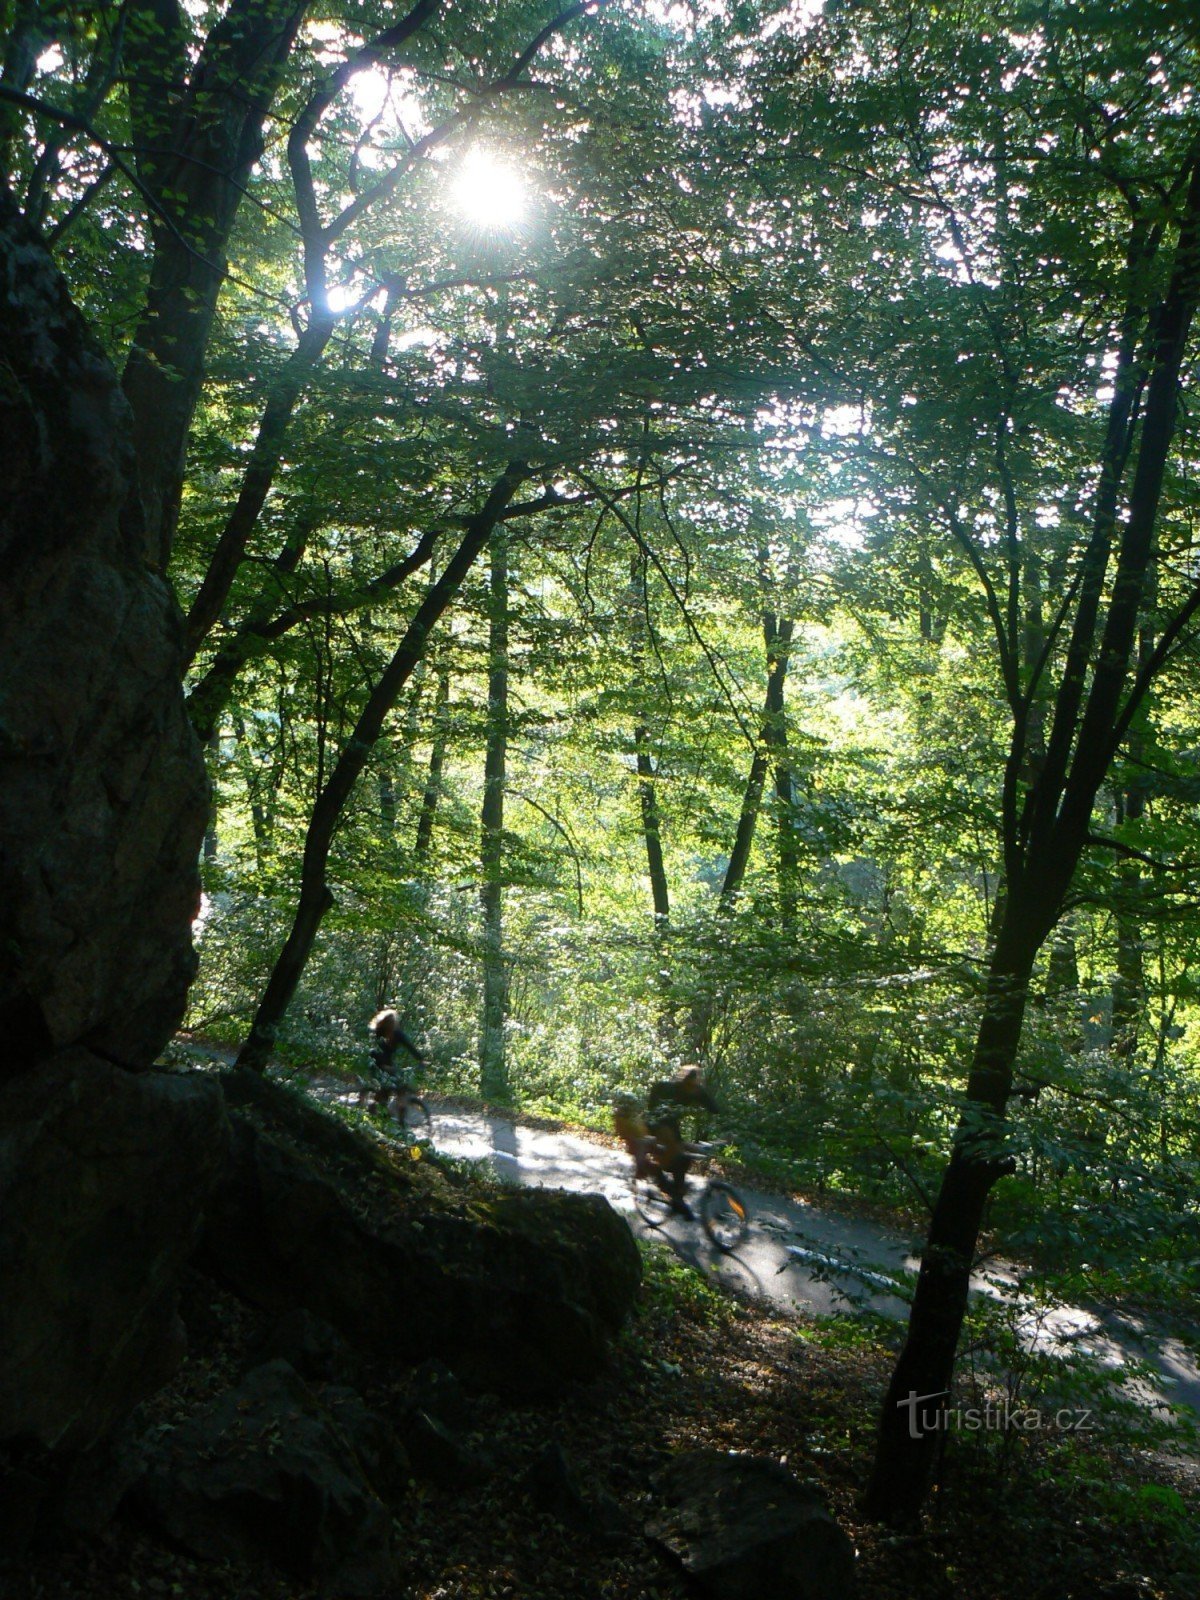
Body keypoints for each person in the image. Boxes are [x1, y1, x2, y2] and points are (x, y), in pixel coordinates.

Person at [614, 1066, 719, 1217]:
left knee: (683, 1160)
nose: (693, 1089)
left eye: (695, 1086)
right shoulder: (666, 1088)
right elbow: (653, 1112)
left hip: (670, 1128)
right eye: (690, 1085)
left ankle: (677, 1195)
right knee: (676, 1159)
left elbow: (713, 1107)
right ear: (684, 1083)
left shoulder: (696, 1091)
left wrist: (729, 1127)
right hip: (657, 1127)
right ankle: (675, 1197)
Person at [366, 1007, 426, 1112]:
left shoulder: (397, 1033)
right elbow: (374, 1051)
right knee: (385, 1088)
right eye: (390, 1024)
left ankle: (399, 1115)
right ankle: (375, 1108)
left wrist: (421, 1059)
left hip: (388, 1063)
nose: (392, 1027)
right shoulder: (378, 1033)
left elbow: (409, 1046)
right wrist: (382, 1065)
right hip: (376, 1063)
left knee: (400, 1085)